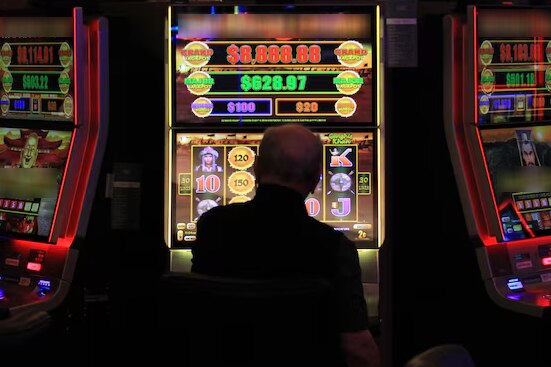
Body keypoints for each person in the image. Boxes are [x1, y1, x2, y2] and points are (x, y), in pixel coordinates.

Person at [191, 123, 381, 367]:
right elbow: (358, 349)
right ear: (315, 180)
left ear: (256, 169)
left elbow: (196, 321)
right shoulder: (334, 247)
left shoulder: (212, 226)